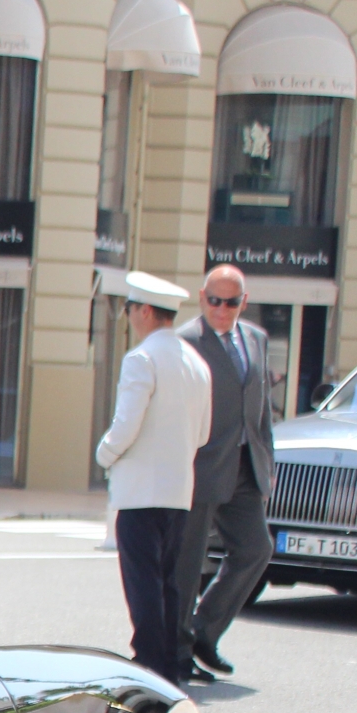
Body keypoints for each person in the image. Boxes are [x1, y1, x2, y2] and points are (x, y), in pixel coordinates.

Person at [94, 271, 210, 686]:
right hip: (179, 491)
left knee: (142, 583)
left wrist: (104, 454)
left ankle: (149, 666)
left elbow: (125, 425)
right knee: (169, 585)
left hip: (140, 491)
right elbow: (203, 435)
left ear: (144, 311)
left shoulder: (141, 359)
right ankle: (170, 667)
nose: (128, 317)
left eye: (129, 309)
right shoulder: (197, 364)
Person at [176, 263, 276, 680]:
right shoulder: (186, 342)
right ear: (202, 298)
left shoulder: (256, 339)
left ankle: (204, 631)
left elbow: (262, 406)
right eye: (214, 300)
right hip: (200, 466)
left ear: (243, 302)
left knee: (256, 549)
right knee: (188, 561)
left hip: (244, 466)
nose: (222, 308)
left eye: (231, 301)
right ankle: (178, 653)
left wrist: (265, 461)